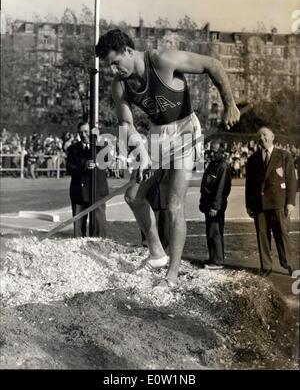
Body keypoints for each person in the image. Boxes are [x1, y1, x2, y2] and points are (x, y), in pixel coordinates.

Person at [96, 29, 240, 287]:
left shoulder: (163, 60)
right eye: (110, 66)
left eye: (116, 63)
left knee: (174, 205)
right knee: (133, 196)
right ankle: (157, 253)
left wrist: (230, 104)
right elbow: (125, 123)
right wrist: (140, 150)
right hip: (156, 136)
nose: (114, 70)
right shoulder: (120, 85)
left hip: (185, 130)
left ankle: (172, 275)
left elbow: (213, 65)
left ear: (128, 51)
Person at [245, 126, 297, 277]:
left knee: (282, 234)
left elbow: (292, 181)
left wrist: (290, 202)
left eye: (265, 135)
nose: (262, 138)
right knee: (262, 236)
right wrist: (249, 204)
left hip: (279, 203)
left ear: (273, 136)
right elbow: (250, 184)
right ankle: (266, 266)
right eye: (259, 136)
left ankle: (290, 265)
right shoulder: (253, 159)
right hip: (259, 204)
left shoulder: (284, 155)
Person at [66, 121, 109, 238]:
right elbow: (69, 168)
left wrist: (98, 138)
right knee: (79, 225)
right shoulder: (73, 149)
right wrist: (84, 165)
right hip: (79, 191)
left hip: (97, 190)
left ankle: (100, 244)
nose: (83, 135)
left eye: (86, 132)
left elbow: (107, 160)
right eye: (80, 132)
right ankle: (79, 246)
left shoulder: (102, 145)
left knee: (99, 223)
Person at [199, 139, 232, 269]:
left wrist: (215, 206)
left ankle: (218, 261)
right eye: (210, 151)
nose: (211, 154)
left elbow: (222, 189)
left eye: (214, 152)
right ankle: (213, 258)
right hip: (208, 204)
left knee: (215, 231)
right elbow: (205, 185)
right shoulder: (212, 165)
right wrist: (203, 202)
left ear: (221, 152)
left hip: (215, 206)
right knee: (210, 231)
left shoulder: (223, 167)